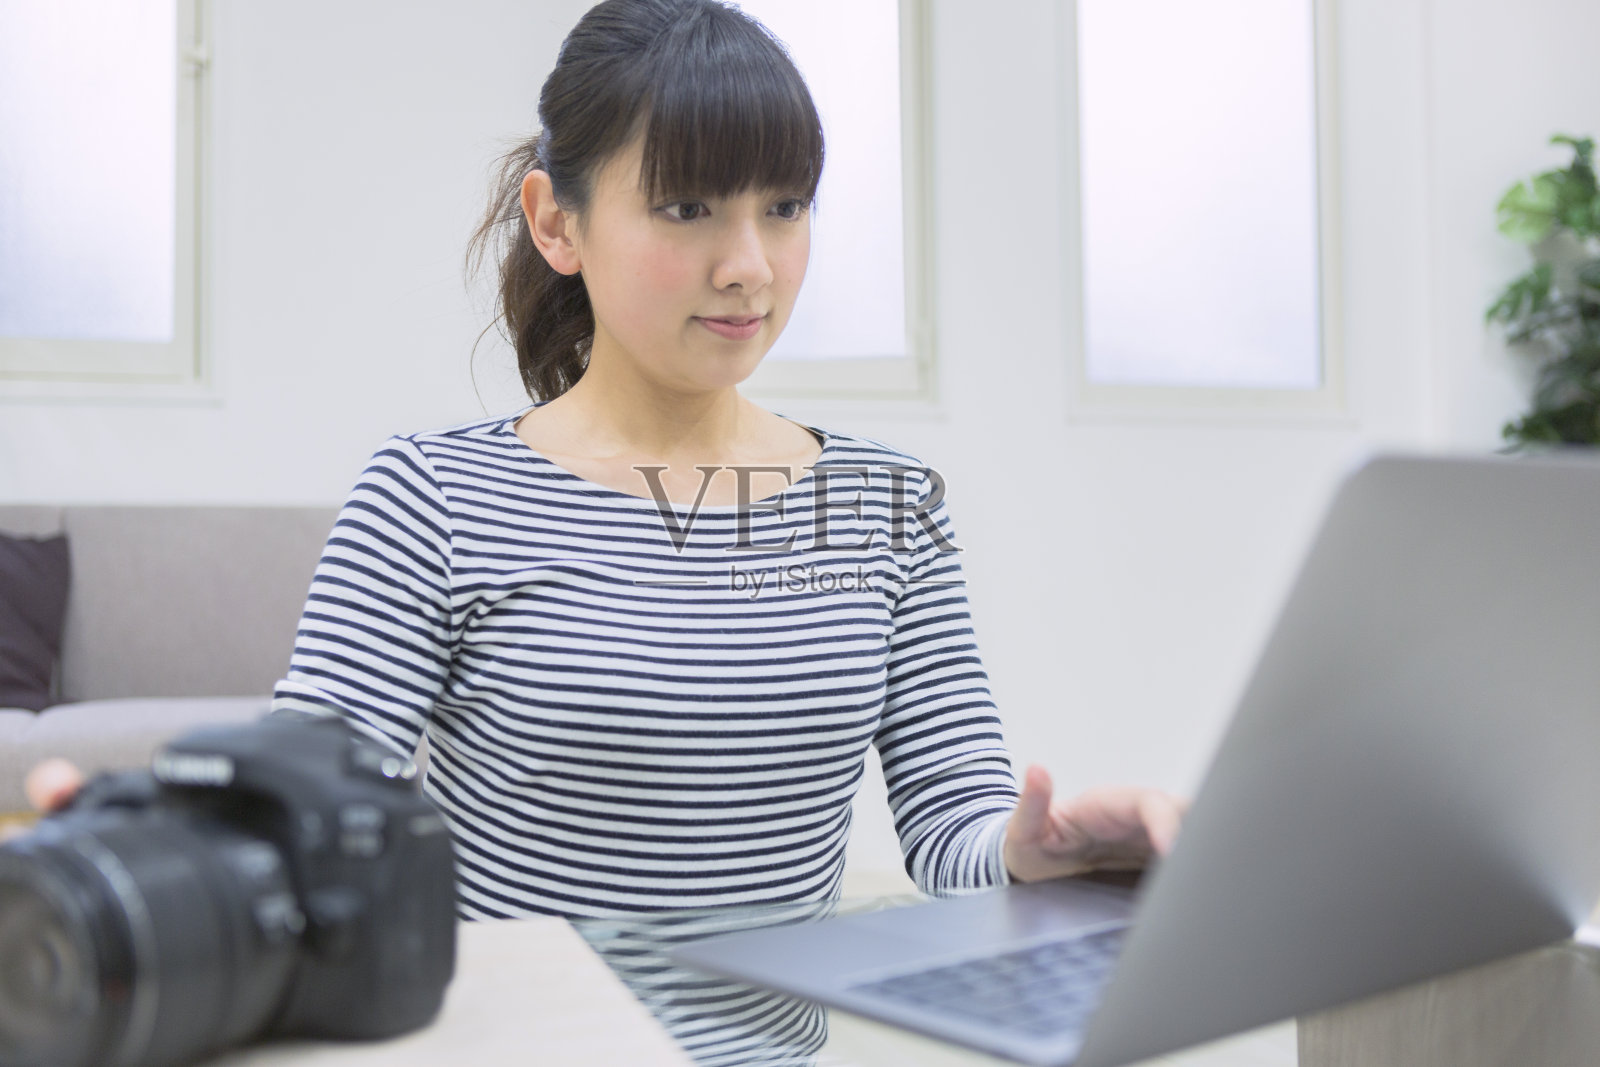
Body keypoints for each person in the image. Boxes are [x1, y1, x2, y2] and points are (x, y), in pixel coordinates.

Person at [26, 0, 1183, 920]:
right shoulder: (431, 495)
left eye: (785, 206)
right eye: (686, 207)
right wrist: (144, 840)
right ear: (555, 222)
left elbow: (953, 829)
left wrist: (1041, 847)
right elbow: (310, 802)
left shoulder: (883, 506)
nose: (750, 266)